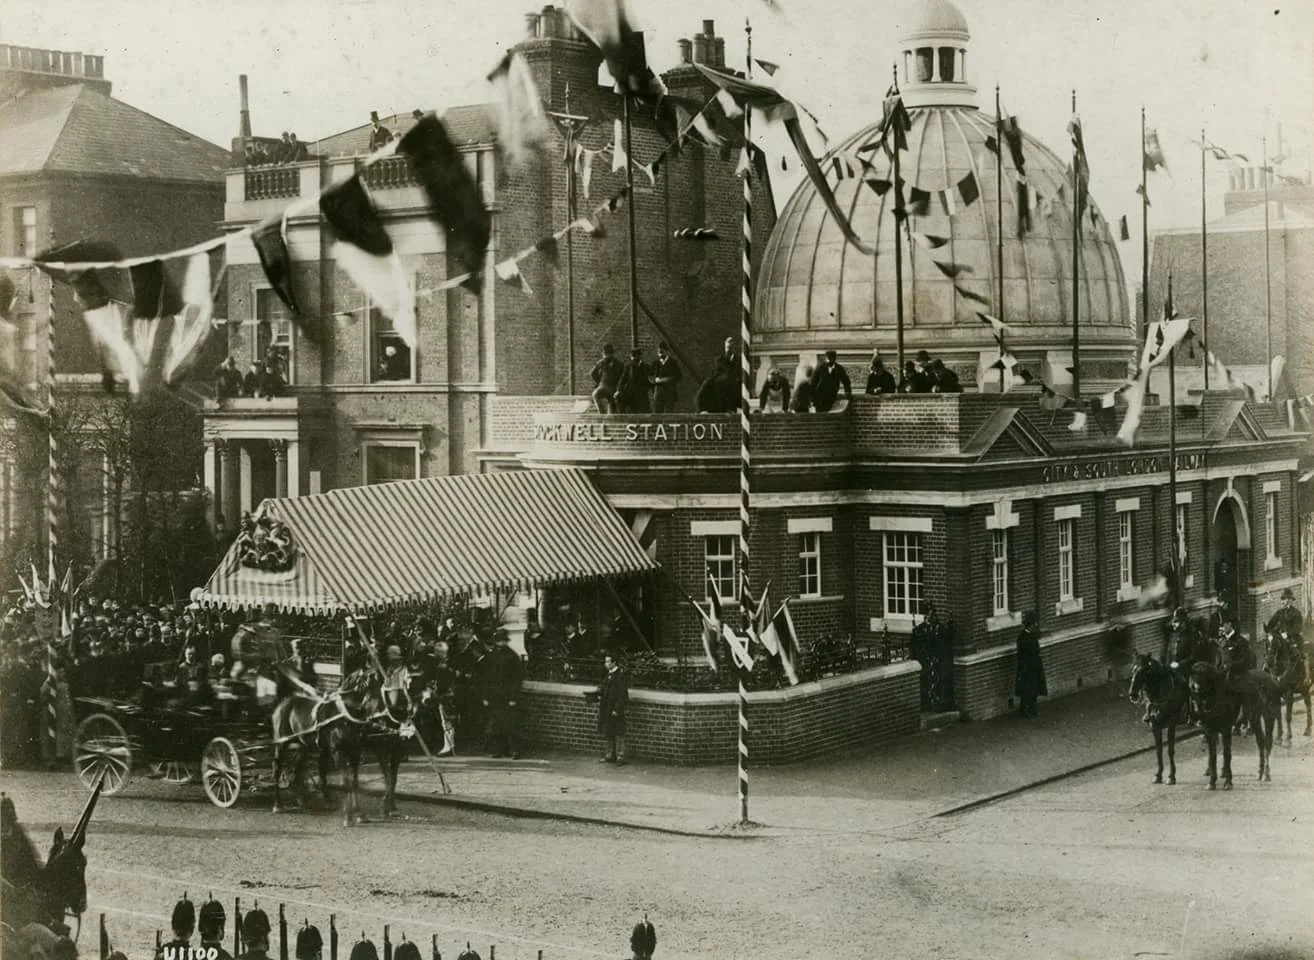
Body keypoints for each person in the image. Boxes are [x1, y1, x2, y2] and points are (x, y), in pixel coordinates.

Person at [481, 629, 523, 759]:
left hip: (507, 695)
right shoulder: (491, 655)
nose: (501, 643)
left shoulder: (512, 656)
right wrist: (486, 696)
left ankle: (514, 750)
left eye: (503, 640)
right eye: (499, 641)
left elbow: (517, 679)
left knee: (511, 724)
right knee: (497, 724)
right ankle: (500, 749)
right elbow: (486, 677)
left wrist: (513, 697)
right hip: (495, 695)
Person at [596, 653, 629, 764]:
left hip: (615, 708)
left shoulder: (620, 675)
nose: (606, 664)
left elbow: (622, 694)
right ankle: (610, 754)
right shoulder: (607, 674)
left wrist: (617, 708)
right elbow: (604, 688)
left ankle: (620, 756)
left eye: (608, 661)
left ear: (614, 663)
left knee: (619, 732)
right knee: (608, 731)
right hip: (606, 708)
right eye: (605, 661)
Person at [1014, 611, 1046, 718]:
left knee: (1034, 690)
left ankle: (1033, 709)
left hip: (1034, 666)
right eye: (1033, 624)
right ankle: (1025, 710)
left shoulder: (1032, 636)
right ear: (1030, 624)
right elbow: (1023, 654)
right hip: (1027, 667)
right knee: (1027, 690)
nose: (1035, 626)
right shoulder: (1022, 637)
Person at [695, 337, 738, 413]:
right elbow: (700, 395)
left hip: (732, 395)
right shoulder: (719, 362)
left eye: (732, 343)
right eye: (728, 343)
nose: (730, 345)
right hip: (719, 405)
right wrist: (702, 410)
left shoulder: (739, 361)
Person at [648, 342, 681, 413]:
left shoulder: (673, 363)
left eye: (662, 352)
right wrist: (655, 380)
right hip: (658, 390)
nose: (660, 354)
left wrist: (667, 379)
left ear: (667, 351)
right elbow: (650, 376)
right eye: (658, 352)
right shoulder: (655, 363)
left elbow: (678, 376)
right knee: (657, 411)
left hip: (669, 391)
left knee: (669, 411)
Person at [590, 344, 623, 413]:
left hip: (613, 387)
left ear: (612, 354)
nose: (606, 356)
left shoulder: (618, 364)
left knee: (611, 407)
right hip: (603, 385)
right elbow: (592, 373)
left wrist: (618, 388)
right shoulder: (601, 363)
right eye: (605, 354)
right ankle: (601, 412)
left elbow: (621, 377)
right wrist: (599, 382)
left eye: (608, 354)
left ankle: (610, 416)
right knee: (595, 395)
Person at [615, 348, 650, 414]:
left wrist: (645, 389)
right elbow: (622, 379)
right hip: (630, 392)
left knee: (643, 412)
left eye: (635, 356)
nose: (633, 358)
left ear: (639, 356)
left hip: (641, 394)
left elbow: (649, 380)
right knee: (619, 400)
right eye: (632, 356)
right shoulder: (628, 366)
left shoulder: (646, 367)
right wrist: (618, 390)